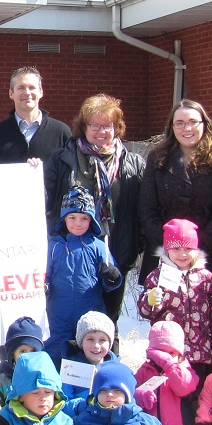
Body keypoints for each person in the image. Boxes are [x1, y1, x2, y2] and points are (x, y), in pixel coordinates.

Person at [43, 94, 144, 323]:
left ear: (116, 128)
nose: (101, 131)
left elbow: (142, 208)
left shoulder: (133, 164)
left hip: (115, 253)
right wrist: (32, 172)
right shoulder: (62, 160)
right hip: (69, 257)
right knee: (69, 321)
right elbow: (45, 200)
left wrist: (136, 244)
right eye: (94, 125)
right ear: (83, 127)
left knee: (108, 322)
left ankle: (108, 360)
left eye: (107, 125)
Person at [138, 99, 212, 285]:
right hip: (164, 253)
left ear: (204, 124)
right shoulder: (157, 158)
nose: (187, 128)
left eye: (193, 122)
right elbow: (146, 208)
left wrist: (197, 247)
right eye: (180, 123)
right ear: (172, 127)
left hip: (209, 253)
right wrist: (169, 246)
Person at [137, 217, 212, 399]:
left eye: (188, 249)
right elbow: (145, 311)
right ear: (167, 249)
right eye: (176, 249)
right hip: (169, 354)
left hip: (200, 352)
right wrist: (152, 300)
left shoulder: (206, 277)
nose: (182, 254)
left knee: (199, 396)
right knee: (172, 396)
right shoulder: (157, 277)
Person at [44, 188, 122, 366]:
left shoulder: (98, 246)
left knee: (87, 361)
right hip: (57, 316)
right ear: (64, 218)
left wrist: (112, 277)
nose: (78, 223)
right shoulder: (53, 246)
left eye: (84, 218)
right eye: (72, 218)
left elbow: (112, 283)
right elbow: (43, 273)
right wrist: (44, 285)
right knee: (56, 357)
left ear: (91, 219)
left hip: (88, 316)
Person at [133, 321, 200, 425]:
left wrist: (168, 364)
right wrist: (139, 396)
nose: (165, 357)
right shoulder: (145, 371)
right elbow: (130, 396)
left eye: (171, 353)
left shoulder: (185, 371)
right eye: (161, 352)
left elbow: (184, 387)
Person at [0, 67, 72, 166]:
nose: (27, 93)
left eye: (32, 87)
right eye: (21, 88)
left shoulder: (61, 132)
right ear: (11, 93)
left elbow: (70, 174)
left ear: (41, 92)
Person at [58, 310, 121, 402]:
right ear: (81, 342)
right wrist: (83, 406)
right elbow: (64, 402)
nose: (96, 345)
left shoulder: (117, 370)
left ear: (110, 344)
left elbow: (127, 399)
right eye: (90, 339)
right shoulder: (70, 370)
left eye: (102, 340)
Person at [0, 315, 44, 399]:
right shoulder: (0, 382)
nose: (28, 357)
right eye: (23, 351)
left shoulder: (46, 378)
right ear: (12, 355)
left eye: (33, 351)